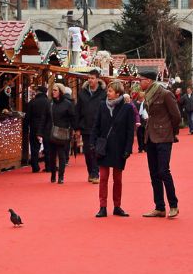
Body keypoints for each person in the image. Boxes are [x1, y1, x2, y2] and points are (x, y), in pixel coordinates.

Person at [138, 69, 181, 218]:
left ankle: (173, 205)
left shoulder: (165, 94)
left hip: (164, 137)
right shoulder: (148, 94)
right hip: (150, 137)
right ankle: (159, 207)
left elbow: (176, 116)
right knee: (154, 174)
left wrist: (171, 132)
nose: (139, 83)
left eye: (140, 80)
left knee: (163, 171)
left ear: (148, 81)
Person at [92, 80, 137, 217]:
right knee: (104, 178)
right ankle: (102, 207)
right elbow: (96, 125)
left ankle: (117, 206)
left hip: (119, 147)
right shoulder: (102, 106)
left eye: (110, 91)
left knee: (118, 179)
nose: (108, 93)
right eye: (108, 91)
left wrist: (128, 148)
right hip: (104, 147)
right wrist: (92, 143)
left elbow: (130, 130)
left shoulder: (127, 108)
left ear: (118, 93)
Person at [76, 69, 106, 184]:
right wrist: (77, 127)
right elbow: (77, 110)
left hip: (99, 127)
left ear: (98, 79)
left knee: (96, 151)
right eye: (89, 78)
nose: (90, 80)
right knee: (88, 152)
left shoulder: (103, 93)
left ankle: (95, 173)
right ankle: (91, 172)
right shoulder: (82, 93)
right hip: (85, 126)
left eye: (92, 78)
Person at [45, 83, 77, 183]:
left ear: (61, 92)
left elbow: (72, 118)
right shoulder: (50, 103)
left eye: (55, 90)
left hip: (63, 132)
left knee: (62, 155)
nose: (53, 92)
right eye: (53, 90)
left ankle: (61, 176)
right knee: (52, 155)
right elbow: (45, 118)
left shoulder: (67, 104)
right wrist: (40, 132)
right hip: (51, 131)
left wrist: (75, 129)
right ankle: (53, 174)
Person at [24, 85, 50, 172]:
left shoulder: (32, 102)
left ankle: (35, 166)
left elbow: (27, 117)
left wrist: (25, 128)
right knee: (47, 147)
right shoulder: (48, 102)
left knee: (34, 148)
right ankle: (48, 166)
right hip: (46, 127)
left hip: (34, 127)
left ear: (38, 92)